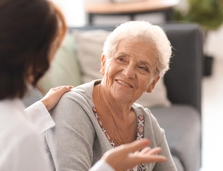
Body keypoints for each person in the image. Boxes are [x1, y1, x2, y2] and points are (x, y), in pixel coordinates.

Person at [0, 0, 167, 171]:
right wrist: (107, 167)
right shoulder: (21, 137)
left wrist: (39, 109)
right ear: (41, 58)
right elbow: (6, 139)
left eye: (143, 68)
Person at [44, 21, 177, 171]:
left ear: (153, 83)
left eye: (142, 68)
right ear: (103, 63)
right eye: (121, 59)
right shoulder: (72, 107)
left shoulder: (147, 123)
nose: (128, 73)